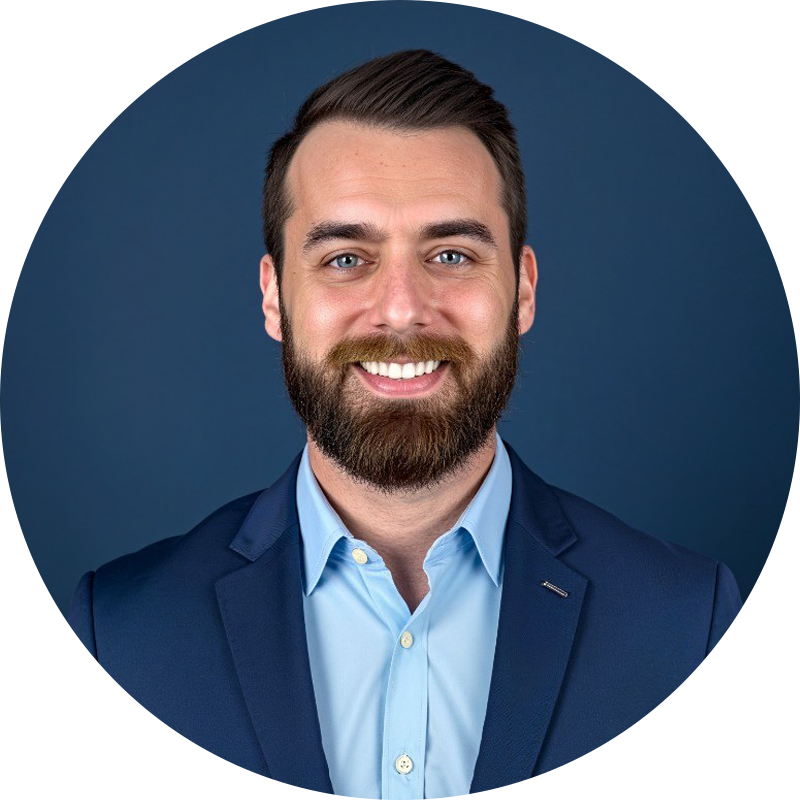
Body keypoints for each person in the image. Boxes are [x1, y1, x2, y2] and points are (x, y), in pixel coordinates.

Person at [27, 49, 794, 799]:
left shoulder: (684, 623)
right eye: (345, 259)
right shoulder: (121, 637)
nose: (401, 309)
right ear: (274, 298)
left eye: (453, 254)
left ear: (522, 291)